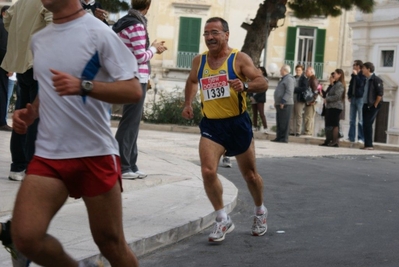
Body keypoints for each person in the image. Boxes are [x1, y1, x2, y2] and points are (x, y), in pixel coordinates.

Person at [11, 0, 143, 266]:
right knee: (25, 238)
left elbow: (133, 90)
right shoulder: (40, 39)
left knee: (110, 243)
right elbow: (47, 88)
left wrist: (84, 86)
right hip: (49, 156)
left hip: (94, 154)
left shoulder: (100, 33)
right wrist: (30, 113)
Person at [182, 17, 269, 242]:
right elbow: (192, 81)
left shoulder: (239, 59)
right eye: (206, 33)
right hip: (212, 124)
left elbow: (263, 81)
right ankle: (222, 218)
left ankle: (260, 211)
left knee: (250, 175)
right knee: (208, 171)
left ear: (226, 35)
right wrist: (188, 103)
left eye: (215, 33)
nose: (209, 37)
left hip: (237, 123)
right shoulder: (199, 61)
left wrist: (246, 85)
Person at [113, 0, 167, 179]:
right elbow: (140, 56)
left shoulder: (125, 21)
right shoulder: (136, 25)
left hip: (130, 76)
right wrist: (155, 49)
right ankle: (123, 166)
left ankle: (132, 164)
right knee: (130, 122)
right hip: (136, 78)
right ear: (148, 6)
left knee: (133, 122)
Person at [1, 0, 52, 181]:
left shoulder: (22, 0)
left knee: (22, 115)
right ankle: (32, 167)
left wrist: (21, 39)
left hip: (23, 64)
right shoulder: (46, 2)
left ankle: (18, 166)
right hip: (38, 64)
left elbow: (7, 18)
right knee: (35, 118)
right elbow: (53, 27)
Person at [361, 62, 384, 150]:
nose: (362, 70)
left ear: (368, 69)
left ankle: (369, 145)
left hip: (372, 105)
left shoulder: (376, 79)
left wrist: (375, 104)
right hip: (365, 104)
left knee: (368, 123)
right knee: (365, 124)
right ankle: (367, 144)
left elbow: (380, 93)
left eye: (363, 68)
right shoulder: (366, 79)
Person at [272, 64, 295, 143]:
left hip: (286, 104)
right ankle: (279, 137)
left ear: (284, 70)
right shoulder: (283, 79)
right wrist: (276, 102)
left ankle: (284, 138)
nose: (280, 71)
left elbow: (289, 91)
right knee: (279, 121)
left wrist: (283, 101)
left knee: (284, 122)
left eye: (281, 69)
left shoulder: (289, 79)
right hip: (279, 103)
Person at [323, 69, 345, 147]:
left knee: (335, 124)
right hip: (331, 106)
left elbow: (337, 96)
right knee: (332, 124)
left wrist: (327, 99)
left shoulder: (339, 85)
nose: (333, 75)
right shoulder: (335, 84)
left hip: (336, 107)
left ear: (339, 75)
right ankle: (332, 140)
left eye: (335, 74)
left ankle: (335, 141)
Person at [346, 60, 366, 144]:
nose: (353, 66)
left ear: (358, 66)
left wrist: (356, 75)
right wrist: (349, 95)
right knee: (352, 119)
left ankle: (361, 138)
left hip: (360, 98)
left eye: (354, 65)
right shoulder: (353, 76)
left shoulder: (362, 75)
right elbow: (351, 86)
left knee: (360, 120)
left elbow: (360, 84)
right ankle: (351, 137)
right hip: (353, 98)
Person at [0, 5, 11, 131]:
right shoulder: (3, 25)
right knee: (2, 92)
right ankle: (1, 122)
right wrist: (8, 65)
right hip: (2, 66)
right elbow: (3, 48)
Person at [249, 66, 268, 133]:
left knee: (261, 113)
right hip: (253, 99)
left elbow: (263, 90)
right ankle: (255, 126)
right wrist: (250, 96)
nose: (257, 70)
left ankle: (265, 128)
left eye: (259, 70)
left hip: (260, 99)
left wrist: (255, 97)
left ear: (262, 71)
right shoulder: (253, 78)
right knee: (255, 114)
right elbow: (250, 87)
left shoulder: (265, 79)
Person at [290, 64, 306, 136]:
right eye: (297, 70)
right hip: (292, 99)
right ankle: (291, 131)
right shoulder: (292, 78)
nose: (297, 71)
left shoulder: (304, 79)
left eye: (299, 70)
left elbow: (304, 88)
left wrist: (294, 89)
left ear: (302, 71)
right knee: (291, 115)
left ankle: (298, 131)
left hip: (299, 99)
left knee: (299, 115)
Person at [302, 66, 319, 136]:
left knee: (308, 117)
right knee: (307, 116)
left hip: (311, 102)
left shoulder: (313, 79)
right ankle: (307, 130)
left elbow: (316, 91)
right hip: (309, 101)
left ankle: (308, 132)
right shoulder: (310, 79)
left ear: (311, 72)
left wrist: (313, 100)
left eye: (307, 71)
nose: (305, 72)